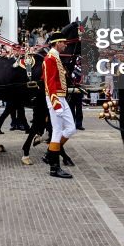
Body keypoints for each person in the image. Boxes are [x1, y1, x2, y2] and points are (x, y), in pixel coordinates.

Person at [42, 31, 76, 179]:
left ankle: (50, 153)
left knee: (70, 129)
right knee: (57, 131)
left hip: (61, 97)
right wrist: (56, 104)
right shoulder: (50, 58)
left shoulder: (55, 57)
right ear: (57, 43)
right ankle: (54, 168)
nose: (65, 45)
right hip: (55, 98)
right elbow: (49, 83)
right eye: (63, 42)